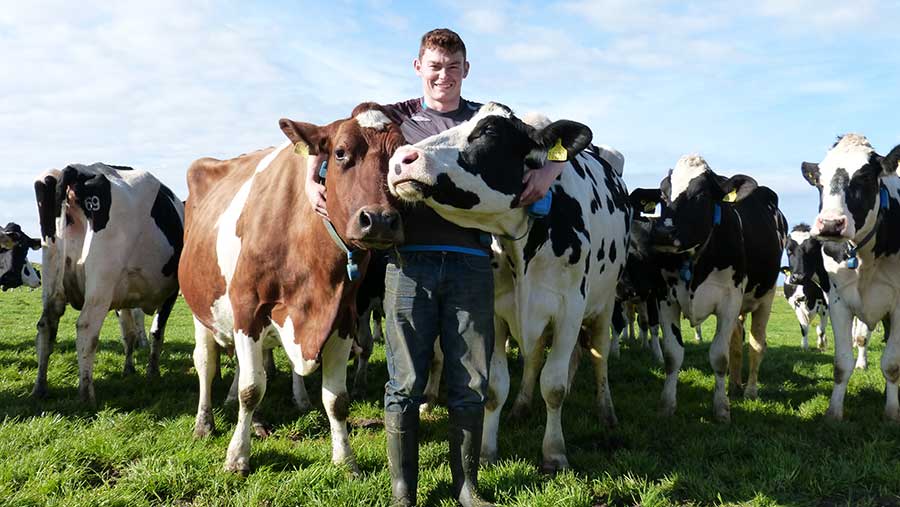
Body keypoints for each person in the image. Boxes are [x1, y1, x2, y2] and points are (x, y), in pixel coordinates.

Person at [305, 28, 563, 507]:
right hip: (409, 264)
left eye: (452, 66)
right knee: (404, 382)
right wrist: (310, 178)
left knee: (470, 383)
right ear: (418, 68)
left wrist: (551, 168)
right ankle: (404, 490)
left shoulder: (484, 122)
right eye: (434, 65)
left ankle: (467, 487)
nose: (443, 74)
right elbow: (336, 138)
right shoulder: (398, 118)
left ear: (466, 70)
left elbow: (546, 142)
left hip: (472, 264)